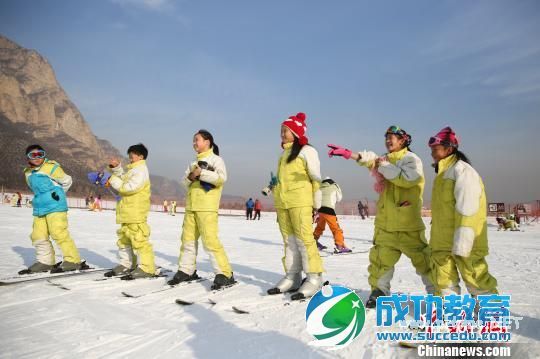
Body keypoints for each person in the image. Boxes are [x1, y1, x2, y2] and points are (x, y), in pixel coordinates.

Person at [328, 125, 433, 308]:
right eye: (386, 137)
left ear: (403, 140)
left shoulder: (410, 159)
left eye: (392, 137)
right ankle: (379, 291)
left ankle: (437, 294)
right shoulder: (384, 160)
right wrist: (349, 154)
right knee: (380, 261)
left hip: (408, 225)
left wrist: (382, 164)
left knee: (425, 262)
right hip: (386, 225)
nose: (387, 140)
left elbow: (406, 179)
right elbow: (370, 160)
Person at [428, 127, 498, 296]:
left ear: (449, 148)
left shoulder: (463, 171)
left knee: (475, 277)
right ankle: (450, 311)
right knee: (444, 279)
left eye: (435, 150)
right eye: (431, 150)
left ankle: (491, 313)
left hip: (464, 241)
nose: (432, 154)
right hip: (442, 243)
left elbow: (469, 207)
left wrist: (463, 241)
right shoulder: (443, 174)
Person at [267, 112, 324, 301]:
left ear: (297, 133)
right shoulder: (283, 154)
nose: (282, 134)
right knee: (289, 241)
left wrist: (317, 205)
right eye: (281, 130)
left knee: (304, 240)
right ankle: (293, 276)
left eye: (286, 130)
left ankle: (314, 278)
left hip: (301, 201)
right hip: (283, 203)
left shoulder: (307, 151)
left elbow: (316, 179)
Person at [168, 130, 235, 290]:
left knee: (210, 241)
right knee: (187, 240)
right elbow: (184, 182)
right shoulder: (193, 162)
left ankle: (225, 274)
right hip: (192, 206)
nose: (194, 143)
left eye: (196, 140)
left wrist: (202, 173)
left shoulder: (217, 160)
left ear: (207, 141)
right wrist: (190, 177)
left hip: (207, 207)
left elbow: (221, 178)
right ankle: (186, 270)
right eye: (193, 141)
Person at [18, 145, 83, 274]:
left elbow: (67, 181)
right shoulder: (28, 173)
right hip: (39, 207)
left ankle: (73, 260)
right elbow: (34, 189)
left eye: (40, 154)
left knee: (58, 232)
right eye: (33, 155)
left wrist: (57, 194)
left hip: (56, 206)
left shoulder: (51, 167)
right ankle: (46, 262)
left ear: (44, 155)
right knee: (38, 235)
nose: (37, 158)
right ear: (28, 157)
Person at [104, 143, 156, 279]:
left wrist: (111, 179)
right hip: (127, 211)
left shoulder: (141, 170)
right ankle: (126, 264)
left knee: (139, 240)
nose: (130, 158)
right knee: (124, 240)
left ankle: (147, 267)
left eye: (132, 155)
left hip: (136, 212)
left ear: (141, 156)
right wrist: (116, 169)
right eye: (130, 155)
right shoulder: (134, 170)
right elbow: (123, 179)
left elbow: (129, 187)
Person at [313, 177, 352, 253]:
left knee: (319, 227)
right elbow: (339, 198)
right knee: (336, 229)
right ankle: (340, 245)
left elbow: (316, 198)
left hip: (320, 210)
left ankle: (313, 242)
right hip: (329, 211)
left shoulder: (320, 187)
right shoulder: (334, 186)